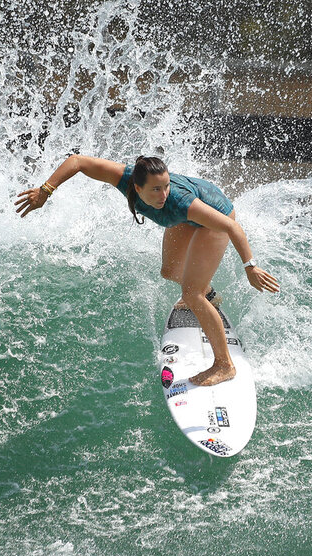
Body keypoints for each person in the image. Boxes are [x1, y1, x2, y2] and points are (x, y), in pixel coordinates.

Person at [15, 154, 280, 387]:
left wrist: (250, 267)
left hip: (213, 218)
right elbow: (78, 161)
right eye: (155, 189)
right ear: (137, 186)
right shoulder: (123, 178)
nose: (163, 195)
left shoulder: (177, 201)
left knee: (191, 293)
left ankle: (224, 364)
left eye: (166, 187)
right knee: (170, 271)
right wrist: (46, 190)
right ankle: (208, 295)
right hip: (185, 217)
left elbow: (232, 228)